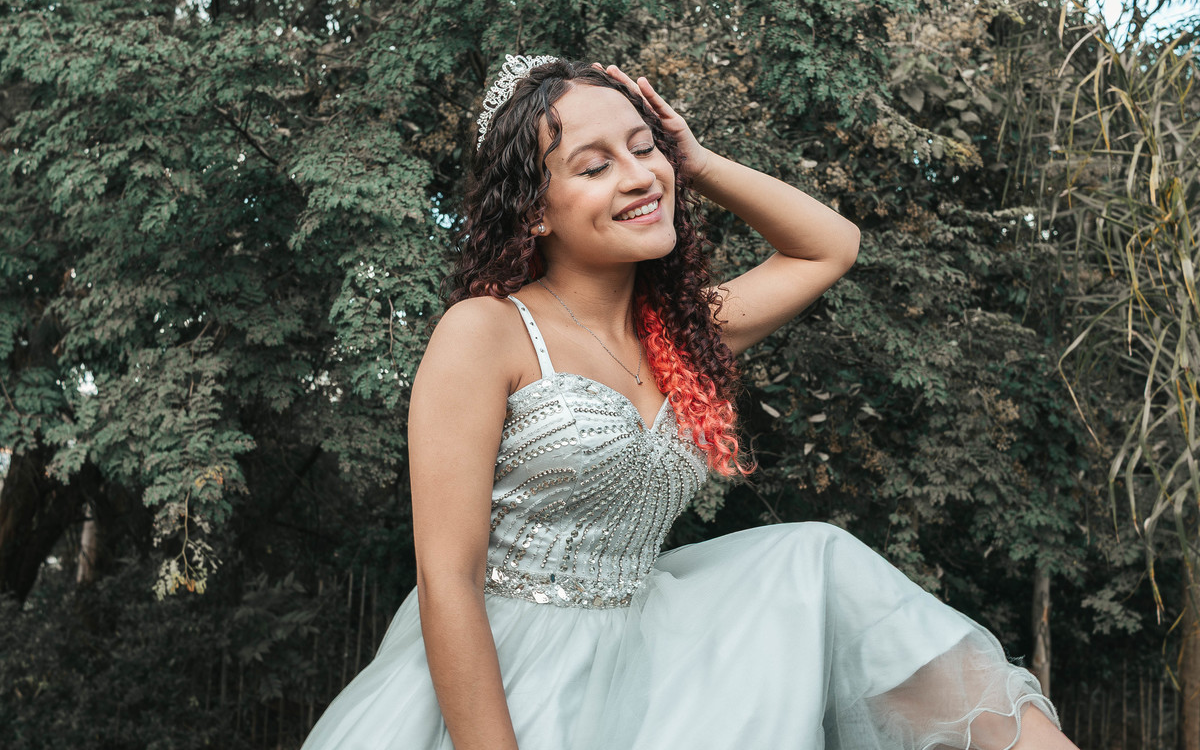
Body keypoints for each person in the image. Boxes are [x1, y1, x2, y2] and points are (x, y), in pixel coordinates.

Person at [300, 55, 1080, 750]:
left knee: (818, 561)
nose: (639, 176)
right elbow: (448, 579)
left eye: (644, 148)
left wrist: (696, 161)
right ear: (535, 211)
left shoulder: (684, 334)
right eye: (594, 165)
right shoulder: (488, 331)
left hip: (649, 655)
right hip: (506, 669)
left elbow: (831, 245)